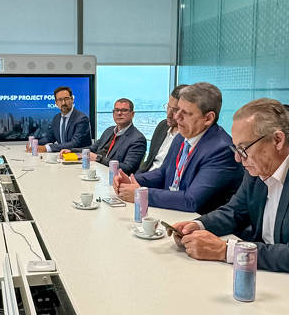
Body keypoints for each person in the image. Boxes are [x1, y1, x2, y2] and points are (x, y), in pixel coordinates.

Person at [171, 99, 289, 272]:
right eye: (236, 149)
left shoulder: (259, 166)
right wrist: (197, 226)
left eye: (243, 148)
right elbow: (234, 211)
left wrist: (227, 250)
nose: (238, 159)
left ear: (277, 140)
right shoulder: (257, 170)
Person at [113, 82, 243, 214]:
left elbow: (192, 200)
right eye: (177, 109)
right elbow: (163, 173)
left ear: (208, 118)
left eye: (185, 113)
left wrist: (141, 194)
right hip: (173, 213)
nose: (176, 116)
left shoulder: (221, 150)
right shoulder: (181, 137)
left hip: (198, 224)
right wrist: (132, 181)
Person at [62, 98, 146, 174]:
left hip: (114, 179)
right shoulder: (109, 130)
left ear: (132, 114)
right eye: (116, 110)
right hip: (96, 172)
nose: (119, 113)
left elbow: (128, 168)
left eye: (124, 110)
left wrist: (98, 158)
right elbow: (92, 149)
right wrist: (72, 151)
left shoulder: (137, 139)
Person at [136, 84, 188, 173]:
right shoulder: (163, 126)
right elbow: (149, 162)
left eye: (175, 110)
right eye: (168, 107)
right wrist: (133, 179)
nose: (168, 114)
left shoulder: (188, 136)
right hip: (146, 177)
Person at [32, 86, 91, 153]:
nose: (63, 103)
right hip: (62, 156)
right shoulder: (56, 118)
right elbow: (49, 138)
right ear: (56, 103)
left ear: (72, 99)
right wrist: (34, 144)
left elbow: (75, 143)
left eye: (66, 99)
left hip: (80, 158)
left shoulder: (82, 119)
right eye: (60, 100)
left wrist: (47, 148)